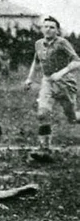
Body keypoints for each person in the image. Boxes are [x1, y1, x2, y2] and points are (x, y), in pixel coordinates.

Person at [24, 16, 80, 163]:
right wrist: (30, 78)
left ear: (57, 30)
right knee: (42, 113)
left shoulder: (62, 43)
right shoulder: (38, 44)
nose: (48, 29)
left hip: (66, 83)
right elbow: (36, 61)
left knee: (73, 118)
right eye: (46, 26)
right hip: (47, 81)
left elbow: (76, 62)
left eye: (52, 27)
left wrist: (61, 73)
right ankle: (44, 150)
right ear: (42, 28)